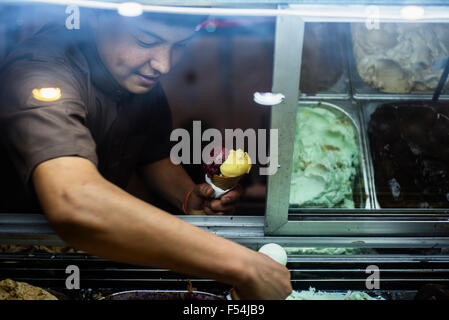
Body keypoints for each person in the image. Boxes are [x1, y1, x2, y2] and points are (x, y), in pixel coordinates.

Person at [0, 10, 291, 299]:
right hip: (15, 263)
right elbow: (73, 201)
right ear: (96, 17)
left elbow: (152, 156)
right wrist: (244, 265)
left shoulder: (135, 77)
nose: (163, 65)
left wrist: (189, 198)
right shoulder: (39, 72)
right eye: (144, 41)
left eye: (179, 46)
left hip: (87, 256)